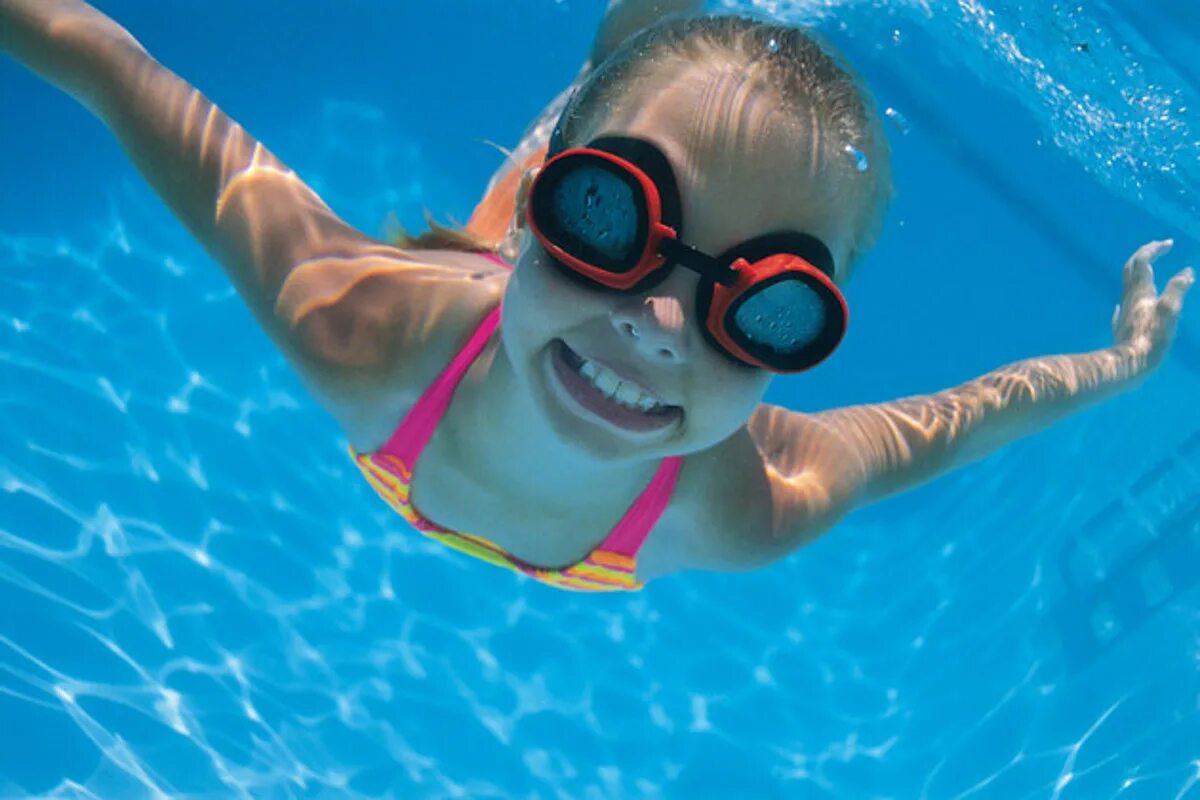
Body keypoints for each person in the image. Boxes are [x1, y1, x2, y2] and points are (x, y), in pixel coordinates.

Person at [1, 0, 1192, 592]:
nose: (664, 323)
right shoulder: (365, 331)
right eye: (607, 224)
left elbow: (956, 422)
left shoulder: (744, 507)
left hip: (510, 326)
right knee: (553, 165)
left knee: (591, 175)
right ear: (547, 217)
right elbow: (124, 77)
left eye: (762, 305)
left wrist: (1127, 362)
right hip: (466, 317)